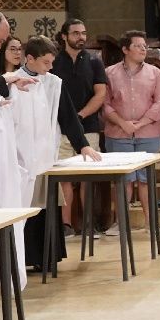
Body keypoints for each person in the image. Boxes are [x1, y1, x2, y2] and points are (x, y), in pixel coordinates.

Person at [9, 36, 100, 269]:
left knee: (45, 204)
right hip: (16, 157)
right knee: (20, 207)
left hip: (44, 155)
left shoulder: (53, 83)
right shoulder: (10, 82)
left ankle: (44, 258)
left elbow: (68, 116)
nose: (50, 67)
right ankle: (18, 259)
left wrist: (82, 145)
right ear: (29, 59)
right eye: (46, 62)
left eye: (52, 62)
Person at [101, 30, 160, 234]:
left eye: (144, 46)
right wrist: (123, 123)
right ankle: (121, 223)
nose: (143, 49)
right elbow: (105, 103)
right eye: (138, 46)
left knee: (146, 179)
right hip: (118, 132)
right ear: (125, 49)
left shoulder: (155, 73)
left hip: (148, 132)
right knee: (124, 180)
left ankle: (151, 223)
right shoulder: (109, 73)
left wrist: (139, 124)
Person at [51, 19, 108, 233]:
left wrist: (80, 115)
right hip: (59, 129)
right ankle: (65, 224)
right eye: (75, 33)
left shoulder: (94, 62)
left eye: (83, 33)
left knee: (87, 177)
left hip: (89, 126)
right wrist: (66, 119)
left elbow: (100, 93)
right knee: (64, 177)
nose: (81, 37)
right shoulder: (54, 61)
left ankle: (88, 223)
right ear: (64, 36)